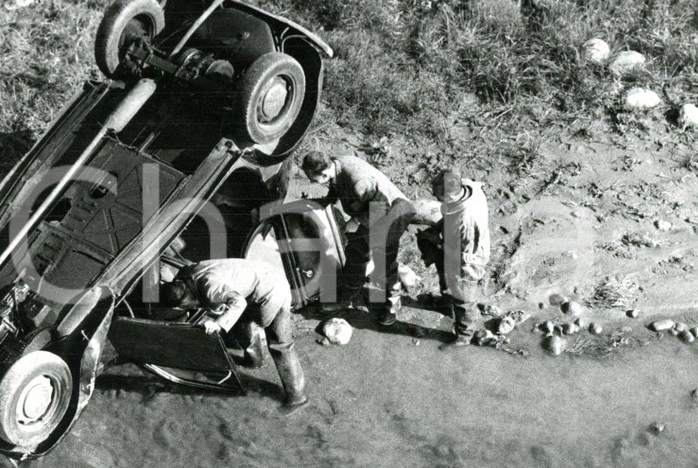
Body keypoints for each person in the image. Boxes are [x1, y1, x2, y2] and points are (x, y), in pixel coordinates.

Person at [160, 258, 308, 412]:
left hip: (273, 289)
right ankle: (255, 360)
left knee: (280, 345)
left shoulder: (210, 289)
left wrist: (218, 324)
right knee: (242, 321)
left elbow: (238, 303)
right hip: (257, 276)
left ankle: (297, 398)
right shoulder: (185, 274)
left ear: (186, 297)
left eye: (187, 305)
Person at [301, 151, 414, 327]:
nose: (312, 183)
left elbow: (380, 208)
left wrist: (354, 222)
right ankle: (348, 294)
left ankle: (392, 303)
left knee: (384, 260)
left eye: (313, 180)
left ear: (323, 173)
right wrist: (323, 202)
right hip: (373, 211)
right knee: (356, 253)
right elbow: (337, 187)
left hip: (394, 214)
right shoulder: (336, 165)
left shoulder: (358, 181)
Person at [415, 169, 490, 344]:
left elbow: (464, 257)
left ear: (449, 197)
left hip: (468, 262)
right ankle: (447, 305)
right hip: (453, 241)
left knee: (464, 298)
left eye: (438, 197)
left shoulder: (466, 219)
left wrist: (438, 242)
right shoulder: (468, 187)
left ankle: (464, 336)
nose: (436, 199)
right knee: (447, 279)